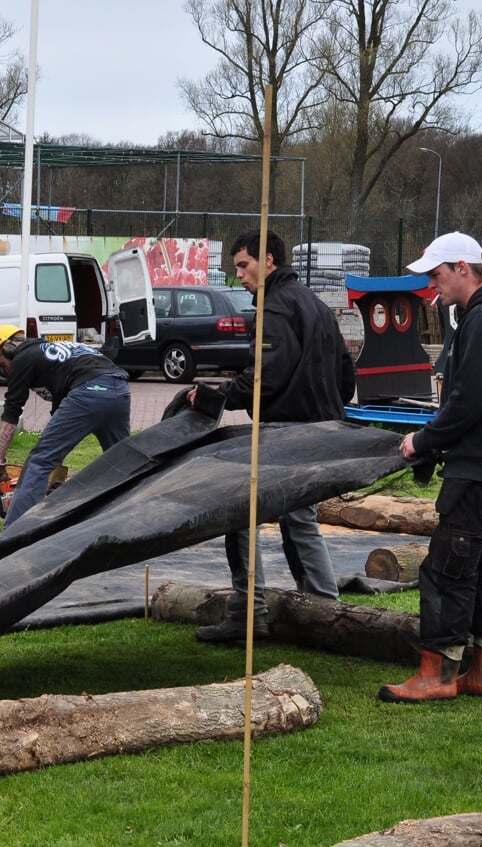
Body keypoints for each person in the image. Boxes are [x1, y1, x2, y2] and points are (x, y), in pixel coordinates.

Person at [380, 232, 482, 702]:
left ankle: (438, 673)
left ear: (463, 269)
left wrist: (422, 442)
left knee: (447, 568)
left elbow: (470, 401)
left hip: (481, 470)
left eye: (436, 274)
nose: (432, 286)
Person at [191, 230, 357, 644]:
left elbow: (267, 373)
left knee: (243, 512)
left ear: (268, 261)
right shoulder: (315, 304)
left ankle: (260, 612)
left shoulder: (275, 308)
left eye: (244, 266)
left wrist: (217, 398)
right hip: (322, 428)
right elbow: (347, 376)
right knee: (299, 520)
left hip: (287, 430)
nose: (240, 276)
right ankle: (322, 609)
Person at [0, 326, 131, 527]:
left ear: (6, 349)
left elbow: (11, 413)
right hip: (119, 389)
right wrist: (58, 463)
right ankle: (131, 522)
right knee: (124, 463)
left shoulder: (22, 358)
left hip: (88, 390)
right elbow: (60, 418)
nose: (4, 370)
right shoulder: (51, 355)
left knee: (39, 462)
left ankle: (14, 532)